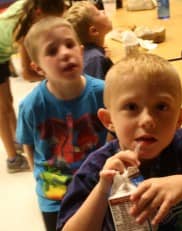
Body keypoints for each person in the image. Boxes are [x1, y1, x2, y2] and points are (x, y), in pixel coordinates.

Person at [57, 53, 182, 231]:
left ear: (179, 119)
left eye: (161, 107)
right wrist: (103, 189)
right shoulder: (98, 168)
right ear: (108, 120)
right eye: (131, 107)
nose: (147, 120)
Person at [16, 16, 108, 231]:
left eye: (69, 45)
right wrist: (39, 179)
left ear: (81, 51)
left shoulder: (103, 92)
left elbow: (114, 133)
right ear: (38, 68)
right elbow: (29, 145)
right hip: (54, 195)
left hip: (97, 186)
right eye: (52, 51)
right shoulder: (31, 105)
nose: (65, 53)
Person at [0, 0, 66, 173]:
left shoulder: (29, 5)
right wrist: (58, 77)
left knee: (8, 101)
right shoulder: (25, 29)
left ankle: (17, 140)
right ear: (38, 13)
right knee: (1, 107)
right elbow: (28, 74)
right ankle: (12, 159)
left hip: (2, 51)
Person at [64, 1, 113, 80]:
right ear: (94, 31)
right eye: (98, 13)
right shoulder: (95, 59)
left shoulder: (93, 54)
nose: (103, 11)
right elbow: (96, 91)